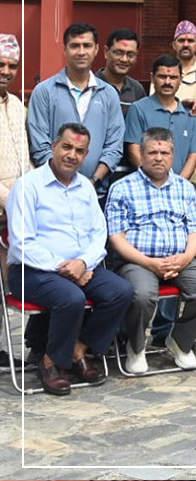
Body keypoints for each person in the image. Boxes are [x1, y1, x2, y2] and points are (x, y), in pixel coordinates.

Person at [6, 124, 135, 394]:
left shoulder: (85, 188)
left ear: (86, 155)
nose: (71, 155)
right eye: (66, 147)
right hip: (32, 270)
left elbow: (99, 233)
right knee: (71, 298)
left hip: (79, 266)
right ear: (54, 146)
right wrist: (66, 267)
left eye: (79, 150)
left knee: (121, 291)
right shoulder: (28, 186)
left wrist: (84, 263)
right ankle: (51, 362)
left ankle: (79, 350)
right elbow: (22, 242)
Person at [106, 127, 196, 374]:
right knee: (142, 295)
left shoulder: (184, 188)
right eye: (152, 152)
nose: (158, 157)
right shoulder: (122, 188)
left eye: (164, 152)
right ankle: (136, 346)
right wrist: (148, 262)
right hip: (137, 260)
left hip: (180, 259)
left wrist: (187, 257)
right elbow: (116, 238)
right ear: (141, 155)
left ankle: (180, 342)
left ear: (173, 155)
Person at [27, 24, 125, 200]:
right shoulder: (44, 91)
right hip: (53, 193)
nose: (81, 52)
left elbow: (114, 146)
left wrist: (93, 180)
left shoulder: (109, 94)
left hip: (97, 194)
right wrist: (63, 180)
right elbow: (40, 145)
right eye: (74, 46)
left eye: (86, 46)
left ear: (96, 49)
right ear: (64, 49)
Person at [124, 55, 196, 183]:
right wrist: (153, 181)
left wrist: (177, 184)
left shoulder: (189, 113)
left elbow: (193, 155)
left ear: (181, 79)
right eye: (162, 77)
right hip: (145, 185)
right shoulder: (138, 109)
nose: (167, 82)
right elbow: (133, 150)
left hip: (179, 189)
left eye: (173, 77)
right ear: (152, 78)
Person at [0, 35, 26, 213]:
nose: (6, 71)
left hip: (18, 208)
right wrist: (7, 199)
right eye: (1, 64)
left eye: (12, 66)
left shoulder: (17, 104)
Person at [101, 28, 147, 111]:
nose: (124, 59)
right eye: (118, 53)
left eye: (130, 55)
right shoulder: (92, 85)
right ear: (106, 52)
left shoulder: (137, 89)